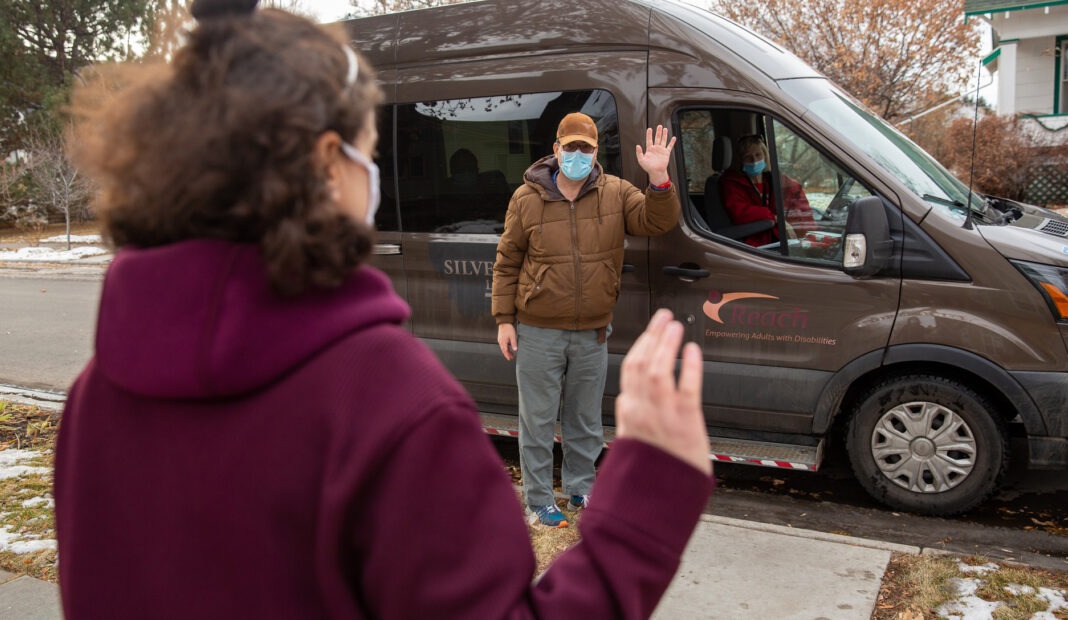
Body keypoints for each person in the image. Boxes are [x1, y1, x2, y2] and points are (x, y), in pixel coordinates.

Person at [54, 0, 714, 618]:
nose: (370, 174)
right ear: (324, 163)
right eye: (366, 150)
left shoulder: (94, 400)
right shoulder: (390, 405)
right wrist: (645, 508)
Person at [492, 112, 681, 528]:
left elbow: (656, 220)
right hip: (538, 330)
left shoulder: (615, 193)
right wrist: (505, 319)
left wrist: (660, 179)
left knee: (584, 420)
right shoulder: (526, 198)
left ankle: (581, 488)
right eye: (570, 147)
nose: (577, 154)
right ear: (556, 150)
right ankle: (540, 500)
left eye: (586, 148)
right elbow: (507, 262)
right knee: (537, 421)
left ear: (596, 153)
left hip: (592, 330)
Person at [719, 133, 816, 247]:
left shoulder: (774, 179)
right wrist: (774, 217)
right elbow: (740, 213)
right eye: (748, 157)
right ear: (741, 160)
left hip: (779, 238)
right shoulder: (731, 183)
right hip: (754, 242)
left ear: (765, 156)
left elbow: (799, 205)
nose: (754, 161)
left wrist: (810, 236)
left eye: (758, 155)